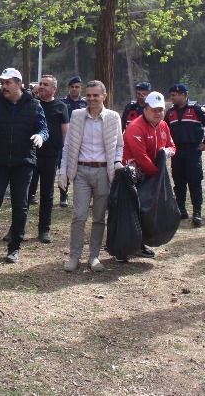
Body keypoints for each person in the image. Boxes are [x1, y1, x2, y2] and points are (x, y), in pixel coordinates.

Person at [0, 68, 48, 264]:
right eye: (2, 83)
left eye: (7, 83)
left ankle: (14, 248)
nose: (3, 86)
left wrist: (41, 136)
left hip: (23, 163)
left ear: (18, 84)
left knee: (20, 206)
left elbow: (43, 128)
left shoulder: (34, 105)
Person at [58, 80, 123, 272]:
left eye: (96, 95)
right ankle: (74, 256)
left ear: (104, 96)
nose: (91, 99)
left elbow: (119, 145)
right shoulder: (77, 116)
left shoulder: (113, 118)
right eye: (89, 95)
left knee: (98, 217)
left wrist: (117, 163)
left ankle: (94, 256)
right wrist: (63, 172)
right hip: (82, 172)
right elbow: (68, 146)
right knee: (78, 216)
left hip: (104, 172)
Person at [122, 91, 176, 261]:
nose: (158, 113)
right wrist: (157, 175)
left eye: (161, 110)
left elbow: (172, 146)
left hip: (152, 175)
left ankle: (140, 243)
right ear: (145, 109)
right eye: (154, 109)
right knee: (131, 212)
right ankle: (123, 248)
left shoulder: (163, 126)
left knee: (147, 212)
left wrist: (167, 152)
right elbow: (141, 158)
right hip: (134, 175)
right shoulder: (135, 127)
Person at [165, 83, 205, 226]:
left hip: (193, 151)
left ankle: (197, 212)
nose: (172, 98)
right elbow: (163, 130)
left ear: (183, 95)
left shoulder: (196, 109)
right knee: (179, 181)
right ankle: (181, 210)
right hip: (177, 152)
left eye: (174, 95)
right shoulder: (170, 113)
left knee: (194, 182)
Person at [28, 75, 69, 243]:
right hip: (30, 155)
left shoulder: (61, 107)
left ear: (54, 89)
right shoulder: (31, 104)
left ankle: (44, 230)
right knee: (24, 193)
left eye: (46, 85)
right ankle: (18, 229)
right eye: (41, 84)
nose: (42, 87)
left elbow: (65, 133)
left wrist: (62, 154)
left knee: (47, 194)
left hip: (50, 156)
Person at [59, 76, 87, 207]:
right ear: (69, 88)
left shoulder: (86, 103)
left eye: (77, 87)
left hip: (82, 140)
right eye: (72, 87)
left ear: (81, 88)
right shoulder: (62, 102)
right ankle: (63, 195)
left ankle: (82, 196)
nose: (74, 89)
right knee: (64, 167)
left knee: (81, 168)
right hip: (65, 140)